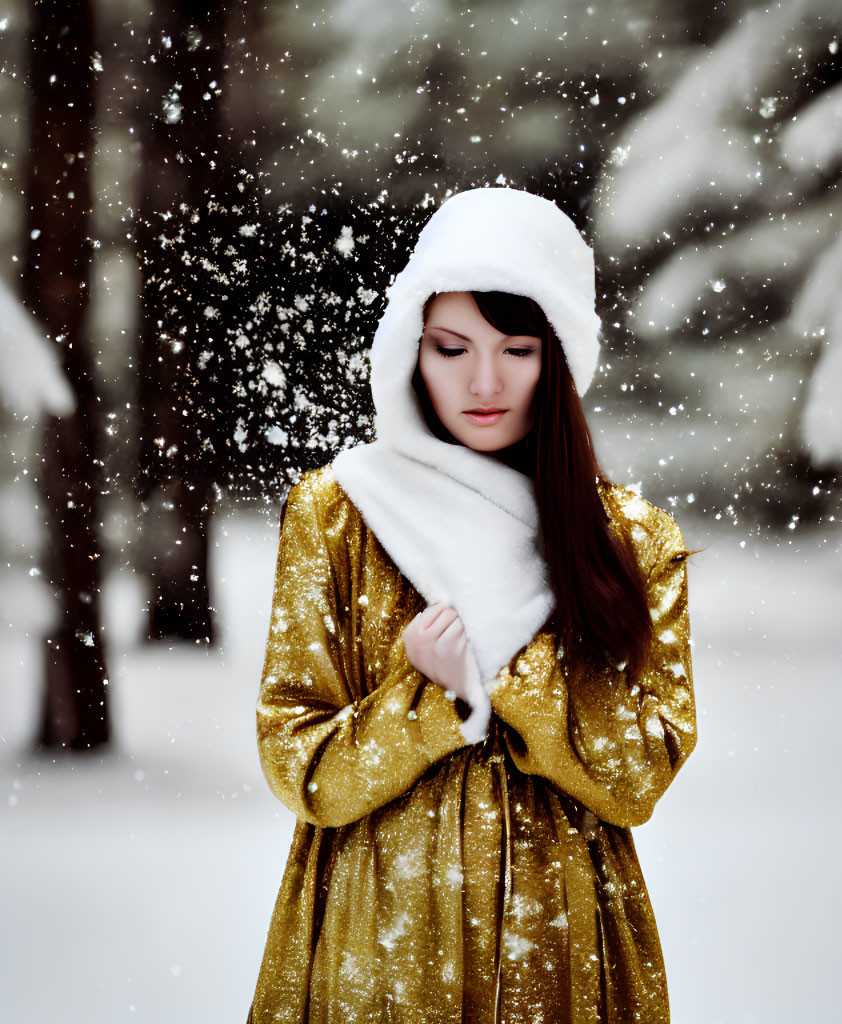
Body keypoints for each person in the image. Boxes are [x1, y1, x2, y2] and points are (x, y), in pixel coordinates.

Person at [247, 187, 697, 1024]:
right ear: (408, 351)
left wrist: (506, 676)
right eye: (451, 348)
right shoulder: (339, 514)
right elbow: (298, 766)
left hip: (562, 948)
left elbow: (640, 774)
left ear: (556, 359)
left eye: (516, 349)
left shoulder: (628, 540)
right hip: (376, 941)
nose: (482, 382)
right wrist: (426, 707)